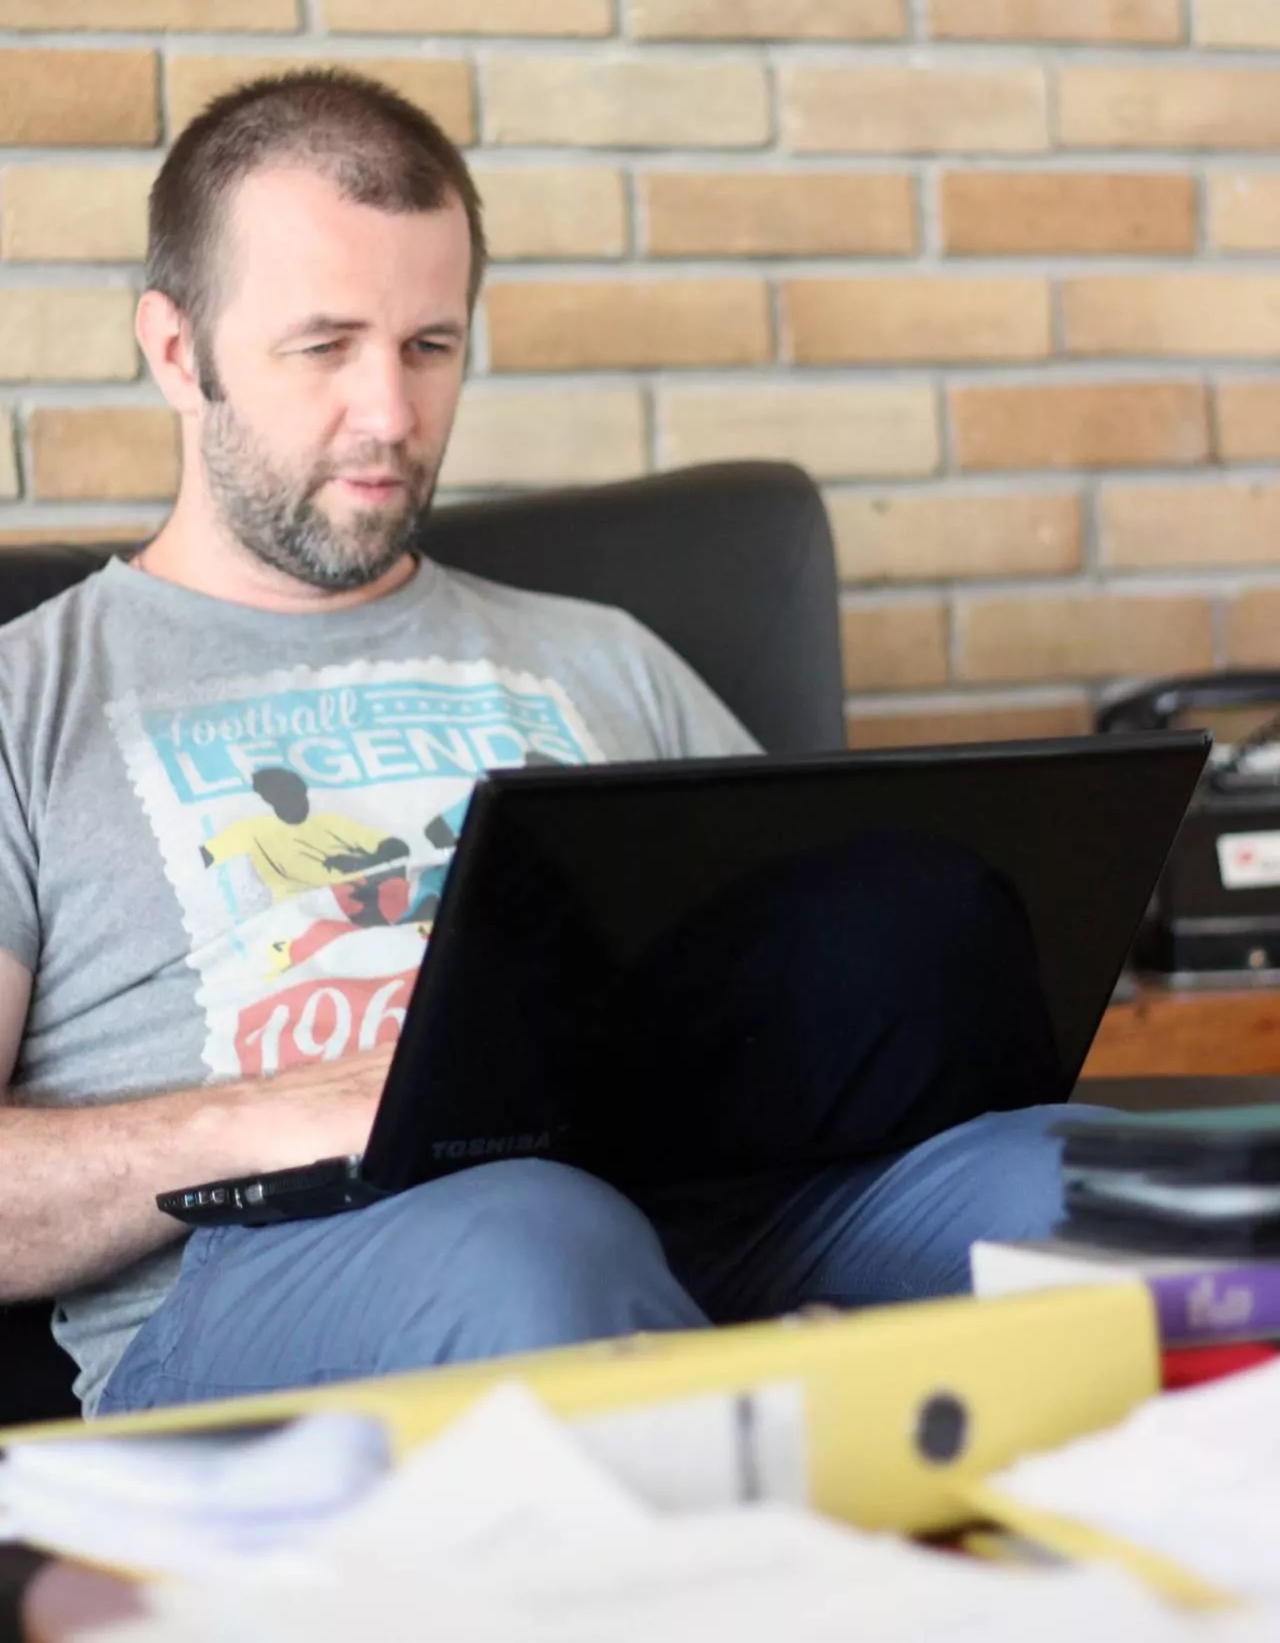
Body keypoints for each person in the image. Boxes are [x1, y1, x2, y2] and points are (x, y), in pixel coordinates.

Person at [0, 72, 1076, 1418]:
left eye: (429, 346)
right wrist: (289, 1112)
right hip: (274, 1278)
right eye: (324, 346)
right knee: (538, 1239)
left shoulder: (608, 656)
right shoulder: (29, 701)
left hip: (695, 1211)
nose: (390, 414)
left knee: (1084, 1187)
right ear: (177, 352)